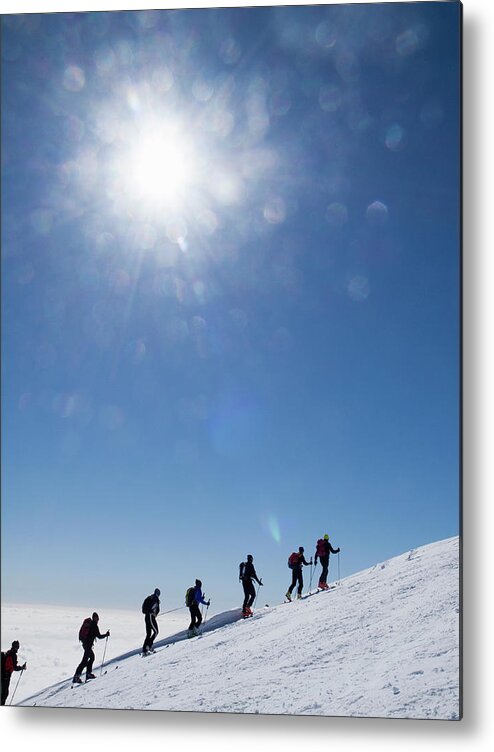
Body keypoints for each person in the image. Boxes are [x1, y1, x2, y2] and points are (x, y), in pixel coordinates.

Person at [73, 612, 110, 684]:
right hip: (88, 645)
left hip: (85, 644)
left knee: (91, 658)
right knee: (85, 660)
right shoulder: (94, 626)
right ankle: (77, 676)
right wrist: (106, 635)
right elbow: (99, 636)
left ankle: (87, 674)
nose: (98, 620)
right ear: (95, 618)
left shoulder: (91, 625)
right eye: (97, 618)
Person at [1, 640, 27, 705]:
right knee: (5, 694)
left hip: (2, 675)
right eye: (17, 647)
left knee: (3, 693)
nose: (17, 648)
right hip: (6, 676)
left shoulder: (8, 652)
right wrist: (22, 667)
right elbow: (15, 668)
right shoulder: (13, 655)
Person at [142, 588, 161, 656]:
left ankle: (145, 650)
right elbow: (154, 609)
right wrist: (152, 613)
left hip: (147, 617)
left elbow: (144, 609)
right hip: (150, 617)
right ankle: (149, 646)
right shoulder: (154, 599)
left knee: (149, 634)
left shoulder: (150, 598)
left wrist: (153, 613)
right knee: (156, 631)